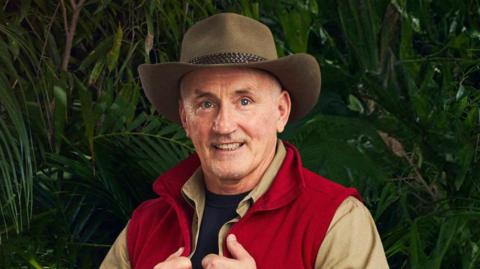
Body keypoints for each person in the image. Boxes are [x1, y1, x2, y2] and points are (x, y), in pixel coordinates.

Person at [100, 13, 389, 269]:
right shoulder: (145, 225)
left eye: (245, 101)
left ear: (281, 111)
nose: (224, 125)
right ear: (185, 118)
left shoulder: (336, 221)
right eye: (205, 104)